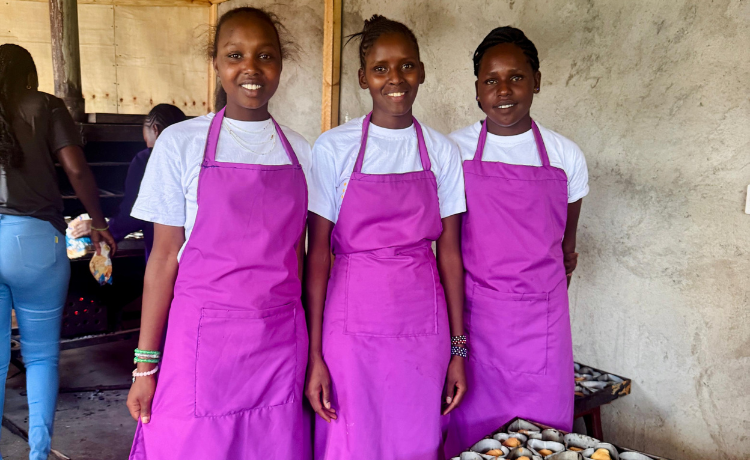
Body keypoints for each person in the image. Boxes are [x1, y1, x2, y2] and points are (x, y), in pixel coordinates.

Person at [125, 7, 311, 459]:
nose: (251, 68)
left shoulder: (302, 151)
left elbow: (299, 256)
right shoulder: (181, 143)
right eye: (235, 55)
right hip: (203, 346)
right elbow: (164, 258)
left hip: (279, 344)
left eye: (265, 55)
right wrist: (145, 365)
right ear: (216, 63)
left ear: (281, 64)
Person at [305, 15, 468, 460]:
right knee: (350, 441)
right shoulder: (333, 148)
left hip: (423, 327)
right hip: (350, 331)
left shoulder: (441, 150)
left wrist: (459, 350)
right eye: (381, 68)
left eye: (407, 65)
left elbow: (450, 256)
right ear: (363, 77)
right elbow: (316, 256)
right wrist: (314, 353)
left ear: (421, 71)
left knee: (417, 440)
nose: (395, 79)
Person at [443, 27, 589, 456]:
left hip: (542, 332)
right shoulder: (454, 151)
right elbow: (445, 250)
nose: (503, 90)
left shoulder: (566, 157)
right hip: (474, 323)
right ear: (476, 89)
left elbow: (566, 250)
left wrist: (532, 300)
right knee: (471, 437)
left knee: (542, 442)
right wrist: (456, 344)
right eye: (491, 80)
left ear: (537, 81)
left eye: (516, 77)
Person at [0, 43, 116, 460]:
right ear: (29, 77)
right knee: (42, 358)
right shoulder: (45, 106)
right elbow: (76, 168)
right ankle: (38, 453)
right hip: (33, 241)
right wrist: (99, 223)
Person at [68, 104, 186, 261]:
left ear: (155, 129)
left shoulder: (146, 159)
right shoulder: (198, 156)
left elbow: (134, 214)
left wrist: (103, 228)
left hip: (164, 256)